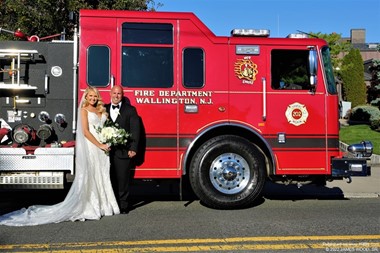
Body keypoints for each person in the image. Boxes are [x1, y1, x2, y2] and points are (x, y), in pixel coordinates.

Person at [0, 87, 120, 226]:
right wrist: (99, 144)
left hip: (103, 146)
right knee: (91, 174)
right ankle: (92, 205)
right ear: (86, 97)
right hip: (93, 146)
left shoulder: (101, 109)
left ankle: (105, 205)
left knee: (102, 173)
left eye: (95, 96)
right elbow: (86, 132)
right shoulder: (84, 110)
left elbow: (104, 128)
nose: (93, 98)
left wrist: (108, 138)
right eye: (91, 96)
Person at [106, 85, 140, 213]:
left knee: (123, 180)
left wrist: (133, 148)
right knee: (108, 179)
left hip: (123, 151)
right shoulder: (103, 109)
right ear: (110, 93)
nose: (116, 96)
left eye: (119, 93)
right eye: (114, 93)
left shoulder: (130, 110)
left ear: (122, 95)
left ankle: (123, 206)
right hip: (106, 152)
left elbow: (135, 130)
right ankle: (111, 205)